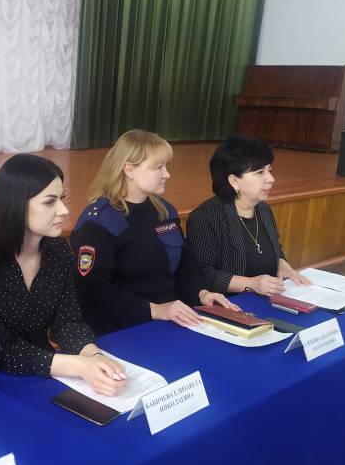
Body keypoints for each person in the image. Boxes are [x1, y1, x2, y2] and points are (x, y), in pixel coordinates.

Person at [0, 154, 127, 396]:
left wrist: (93, 355)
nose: (64, 210)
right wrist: (79, 366)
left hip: (36, 370)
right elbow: (1, 350)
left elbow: (68, 322)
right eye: (49, 202)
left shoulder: (58, 251)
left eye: (61, 199)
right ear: (15, 205)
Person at [70, 130, 236, 336]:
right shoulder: (99, 222)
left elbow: (185, 265)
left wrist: (202, 293)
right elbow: (94, 293)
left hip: (173, 319)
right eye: (158, 167)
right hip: (122, 330)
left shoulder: (164, 211)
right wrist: (156, 310)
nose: (167, 174)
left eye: (166, 166)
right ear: (129, 170)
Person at [186, 135, 311, 296]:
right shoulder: (205, 217)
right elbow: (202, 274)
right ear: (234, 181)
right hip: (231, 303)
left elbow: (274, 250)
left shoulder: (263, 209)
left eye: (269, 170)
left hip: (267, 297)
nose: (271, 179)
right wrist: (251, 284)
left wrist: (283, 265)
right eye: (260, 172)